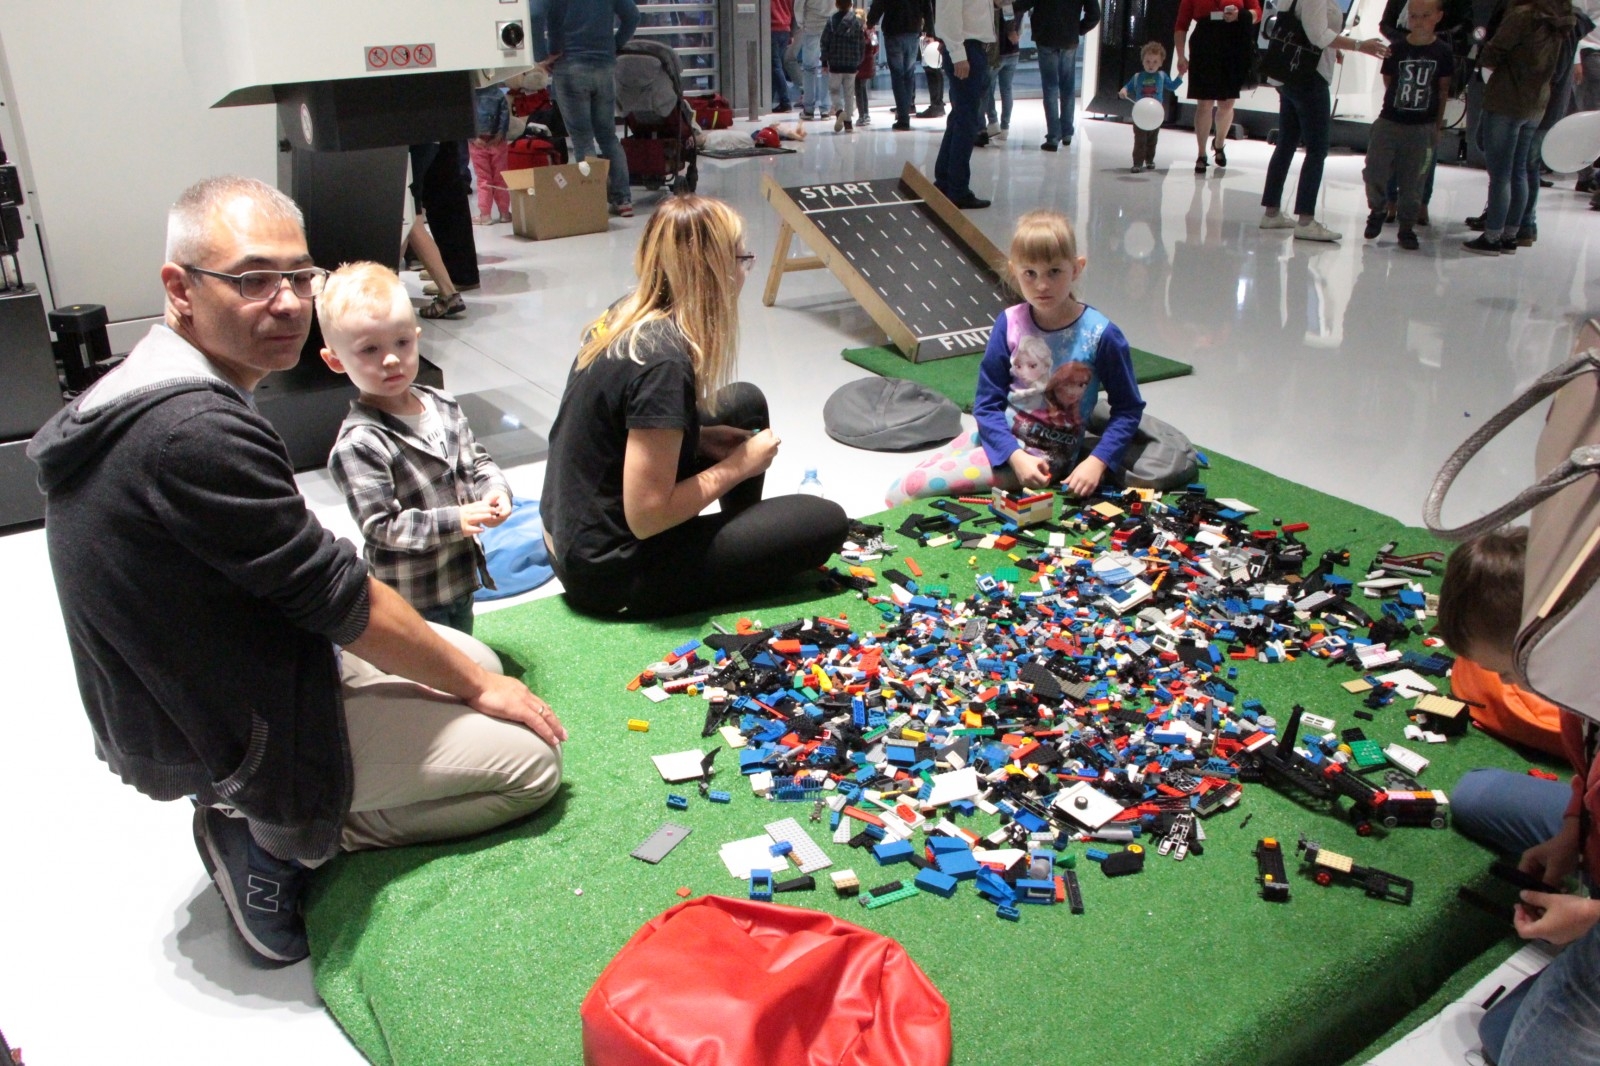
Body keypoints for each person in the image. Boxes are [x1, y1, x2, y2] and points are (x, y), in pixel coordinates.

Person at [26, 176, 566, 964]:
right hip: (223, 724)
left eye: (298, 276)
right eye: (252, 279)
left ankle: (284, 809)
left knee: (476, 660)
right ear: (179, 288)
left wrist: (467, 677)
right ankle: (279, 839)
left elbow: (306, 572)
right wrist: (477, 690)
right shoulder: (193, 431)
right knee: (531, 768)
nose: (286, 301)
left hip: (231, 663)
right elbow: (339, 595)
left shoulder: (163, 379)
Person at [540, 196, 848, 617]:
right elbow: (647, 517)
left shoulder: (627, 312)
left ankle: (743, 544)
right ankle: (745, 556)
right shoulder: (664, 362)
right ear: (714, 270)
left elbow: (613, 432)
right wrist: (738, 466)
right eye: (742, 259)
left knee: (743, 402)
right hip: (608, 576)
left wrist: (700, 439)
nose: (746, 270)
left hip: (567, 540)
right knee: (824, 520)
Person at [1437, 528, 1600, 1066]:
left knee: (1510, 1043)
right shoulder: (1583, 678)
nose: (1509, 688)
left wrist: (1589, 918)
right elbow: (1587, 770)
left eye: (1509, 672)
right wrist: (1572, 830)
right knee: (1476, 794)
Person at [886, 210, 1146, 505]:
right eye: (1030, 273)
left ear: (1076, 268)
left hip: (1045, 459)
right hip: (1000, 440)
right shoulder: (1009, 322)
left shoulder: (1101, 334)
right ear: (1014, 271)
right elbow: (986, 405)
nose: (1042, 285)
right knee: (904, 484)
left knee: (908, 490)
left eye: (1054, 272)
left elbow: (1128, 409)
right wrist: (1012, 453)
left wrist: (1097, 462)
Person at [319, 262, 512, 636]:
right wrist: (455, 520)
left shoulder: (443, 404)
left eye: (402, 342)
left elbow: (477, 461)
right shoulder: (360, 444)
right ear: (335, 360)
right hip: (411, 596)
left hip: (459, 576)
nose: (391, 359)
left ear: (417, 337)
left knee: (464, 646)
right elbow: (381, 526)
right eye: (370, 349)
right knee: (433, 665)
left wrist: (495, 490)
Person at [1259, 0, 1389, 241]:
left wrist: (1333, 48)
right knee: (1317, 149)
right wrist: (1360, 45)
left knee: (1286, 143)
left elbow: (1306, 28)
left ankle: (1272, 211)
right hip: (1308, 77)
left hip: (1287, 72)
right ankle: (1305, 219)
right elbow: (1318, 35)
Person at [1462, 0, 1576, 253]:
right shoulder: (1562, 19)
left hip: (1506, 99)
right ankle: (1511, 234)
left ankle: (1492, 236)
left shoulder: (1523, 15)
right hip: (1536, 102)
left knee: (1500, 175)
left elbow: (1493, 52)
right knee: (1520, 171)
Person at [531, 0, 639, 218]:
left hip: (569, 65)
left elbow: (534, 14)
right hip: (604, 66)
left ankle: (593, 202)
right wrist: (614, 44)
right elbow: (633, 16)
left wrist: (541, 56)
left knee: (582, 140)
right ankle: (623, 200)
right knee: (608, 137)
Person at [1360, 0, 1453, 250]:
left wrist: (1436, 126)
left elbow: (1443, 90)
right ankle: (1377, 209)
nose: (1418, 22)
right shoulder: (1397, 49)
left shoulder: (1442, 51)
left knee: (1414, 179)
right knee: (1374, 169)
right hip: (1390, 120)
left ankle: (1407, 225)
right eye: (1413, 16)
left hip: (1422, 126)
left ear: (1438, 16)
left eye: (1425, 16)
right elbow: (1389, 81)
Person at [1174, 0, 1259, 172]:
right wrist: (1181, 55)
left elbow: (1257, 12)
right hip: (1204, 45)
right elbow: (1181, 24)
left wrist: (1240, 15)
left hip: (1233, 45)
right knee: (1204, 103)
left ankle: (1219, 143)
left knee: (1227, 103)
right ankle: (1201, 153)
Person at [1014, 0, 1103, 151]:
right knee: (1067, 87)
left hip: (1046, 37)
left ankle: (1053, 136)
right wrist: (1079, 29)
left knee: (1050, 87)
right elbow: (1094, 14)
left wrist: (1002, 6)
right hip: (1069, 38)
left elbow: (1023, 4)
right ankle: (1067, 132)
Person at [933, 0, 997, 208]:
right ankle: (957, 189)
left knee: (960, 118)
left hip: (973, 48)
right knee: (966, 121)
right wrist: (958, 54)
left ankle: (945, 182)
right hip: (966, 49)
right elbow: (948, 17)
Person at [406, 143, 467, 319]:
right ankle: (449, 294)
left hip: (405, 142)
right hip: (428, 140)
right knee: (409, 218)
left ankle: (383, 295)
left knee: (408, 219)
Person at [867, 0, 933, 129]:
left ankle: (903, 117)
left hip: (893, 31)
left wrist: (870, 23)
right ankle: (904, 112)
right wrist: (930, 32)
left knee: (898, 75)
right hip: (913, 30)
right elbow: (927, 8)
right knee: (909, 74)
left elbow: (878, 4)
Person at [1119, 41, 1184, 170]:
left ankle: (1149, 160)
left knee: (1152, 140)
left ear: (1161, 63)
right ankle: (1137, 163)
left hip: (1155, 116)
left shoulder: (1162, 76)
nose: (1151, 65)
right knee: (1140, 140)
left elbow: (1172, 86)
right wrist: (1123, 91)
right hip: (1140, 115)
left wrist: (1180, 74)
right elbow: (1127, 87)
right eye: (1148, 61)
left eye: (1155, 62)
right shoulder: (1137, 77)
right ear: (1142, 61)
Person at [469, 82, 512, 226]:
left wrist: (472, 137)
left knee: (483, 179)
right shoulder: (498, 94)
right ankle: (504, 213)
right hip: (498, 142)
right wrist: (500, 134)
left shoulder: (469, 95)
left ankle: (485, 215)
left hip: (477, 142)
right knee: (501, 177)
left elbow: (466, 117)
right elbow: (505, 117)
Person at [822, 0, 868, 131]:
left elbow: (824, 42)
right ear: (851, 5)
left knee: (834, 90)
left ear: (836, 4)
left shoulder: (832, 21)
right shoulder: (856, 22)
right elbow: (861, 45)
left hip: (835, 64)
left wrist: (824, 62)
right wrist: (859, 63)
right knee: (849, 94)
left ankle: (839, 111)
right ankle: (848, 123)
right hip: (852, 65)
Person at [983, 0, 1022, 143]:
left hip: (996, 53)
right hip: (1013, 51)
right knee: (1006, 90)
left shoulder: (995, 6)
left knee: (988, 89)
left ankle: (993, 121)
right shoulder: (1015, 5)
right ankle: (1005, 127)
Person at [798, 0, 837, 119]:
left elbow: (798, 6)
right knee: (827, 68)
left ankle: (808, 109)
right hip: (832, 26)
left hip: (812, 26)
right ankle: (825, 109)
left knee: (809, 68)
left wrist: (801, 23)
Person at [773, 0, 797, 111]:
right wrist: (791, 33)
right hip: (785, 29)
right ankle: (772, 98)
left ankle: (785, 101)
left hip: (773, 28)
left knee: (775, 67)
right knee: (777, 66)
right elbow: (793, 10)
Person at [856, 9, 880, 125]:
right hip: (868, 64)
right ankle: (865, 113)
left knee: (859, 91)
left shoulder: (857, 33)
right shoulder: (871, 33)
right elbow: (875, 48)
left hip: (859, 65)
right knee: (863, 89)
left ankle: (862, 115)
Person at [919, 34, 948, 116]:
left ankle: (937, 105)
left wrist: (932, 36)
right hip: (930, 37)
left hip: (930, 37)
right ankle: (937, 104)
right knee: (933, 68)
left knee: (932, 68)